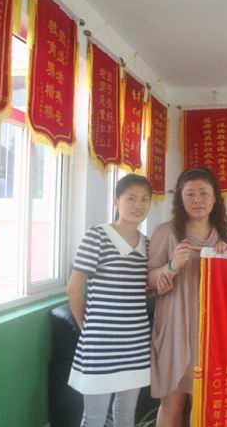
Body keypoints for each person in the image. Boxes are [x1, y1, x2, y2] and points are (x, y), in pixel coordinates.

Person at [66, 174, 153, 427]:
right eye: (131, 198)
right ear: (116, 201)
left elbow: (142, 291)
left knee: (126, 414)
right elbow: (74, 288)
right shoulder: (98, 236)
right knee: (94, 417)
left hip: (136, 341)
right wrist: (86, 328)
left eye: (145, 199)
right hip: (100, 342)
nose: (138, 205)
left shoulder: (148, 245)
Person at [147, 167, 227, 427]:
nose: (198, 200)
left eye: (204, 193)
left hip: (212, 331)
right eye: (190, 194)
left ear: (215, 198)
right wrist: (173, 265)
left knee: (205, 404)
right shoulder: (166, 232)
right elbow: (149, 280)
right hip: (174, 327)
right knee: (172, 403)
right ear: (180, 199)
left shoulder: (226, 236)